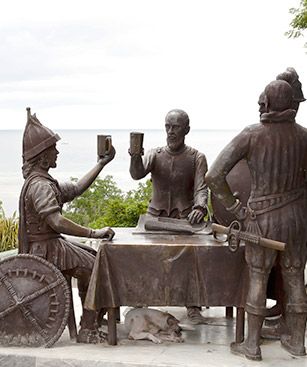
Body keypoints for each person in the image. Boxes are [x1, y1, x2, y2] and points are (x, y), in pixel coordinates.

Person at [206, 80, 307, 361]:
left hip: (261, 219)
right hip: (297, 220)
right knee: (296, 275)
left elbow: (213, 176)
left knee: (258, 277)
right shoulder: (304, 136)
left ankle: (252, 345)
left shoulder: (252, 135)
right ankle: (297, 342)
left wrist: (237, 210)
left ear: (266, 103)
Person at [18, 108, 115, 344]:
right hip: (45, 251)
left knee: (94, 257)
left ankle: (89, 322)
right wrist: (94, 232)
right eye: (53, 149)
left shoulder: (45, 182)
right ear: (42, 156)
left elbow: (77, 188)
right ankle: (87, 329)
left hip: (53, 244)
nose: (57, 152)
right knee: (96, 269)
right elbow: (57, 222)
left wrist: (101, 164)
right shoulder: (40, 186)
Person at [129, 108, 209, 323]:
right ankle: (140, 298)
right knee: (146, 257)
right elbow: (137, 174)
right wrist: (135, 156)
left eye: (175, 127)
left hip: (184, 219)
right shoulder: (155, 155)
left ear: (186, 129)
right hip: (154, 217)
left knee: (190, 260)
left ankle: (193, 304)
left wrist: (200, 207)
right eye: (167, 126)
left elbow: (201, 188)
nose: (170, 131)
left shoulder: (196, 157)